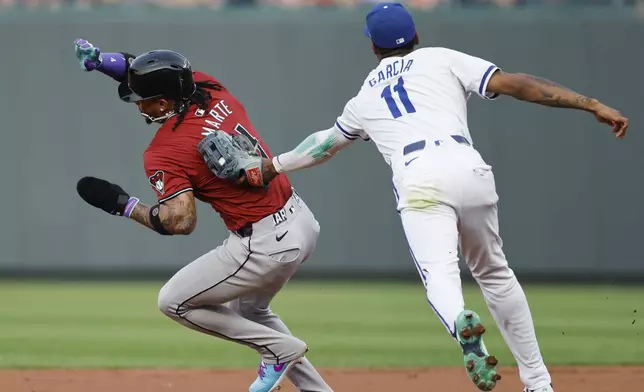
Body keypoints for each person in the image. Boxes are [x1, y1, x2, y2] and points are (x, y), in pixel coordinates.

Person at [223, 3, 628, 392]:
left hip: (420, 178)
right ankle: (539, 383)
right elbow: (518, 84)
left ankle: (460, 323)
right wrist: (589, 103)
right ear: (415, 35)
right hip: (469, 167)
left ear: (372, 46)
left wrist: (274, 164)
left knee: (441, 275)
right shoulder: (441, 57)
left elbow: (324, 144)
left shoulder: (364, 97)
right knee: (495, 273)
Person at [72, 39, 333, 392]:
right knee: (253, 313)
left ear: (163, 102)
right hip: (301, 219)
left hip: (263, 243)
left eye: (142, 100)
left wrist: (126, 206)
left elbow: (181, 221)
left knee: (173, 302)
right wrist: (103, 61)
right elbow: (152, 71)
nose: (138, 106)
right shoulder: (209, 87)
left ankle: (278, 351)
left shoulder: (165, 150)